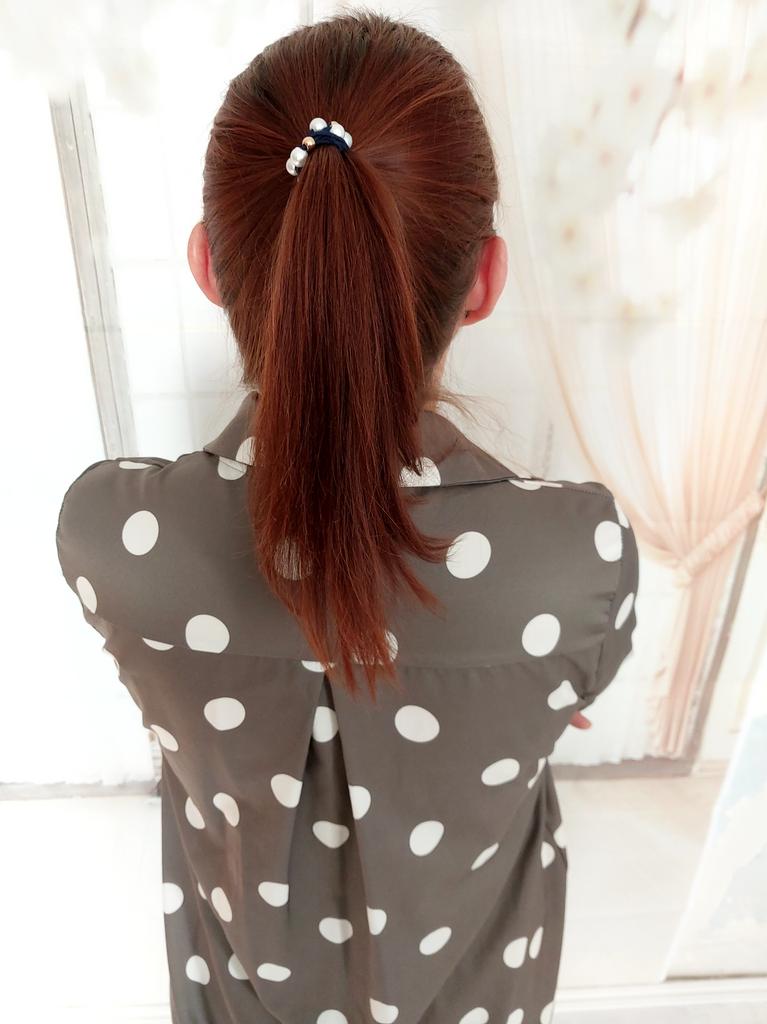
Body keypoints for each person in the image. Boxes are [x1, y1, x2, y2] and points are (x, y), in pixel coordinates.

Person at [56, 10, 639, 1024]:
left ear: (207, 263)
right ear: (484, 281)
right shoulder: (577, 558)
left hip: (238, 986)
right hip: (472, 987)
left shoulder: (109, 535)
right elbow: (570, 686)